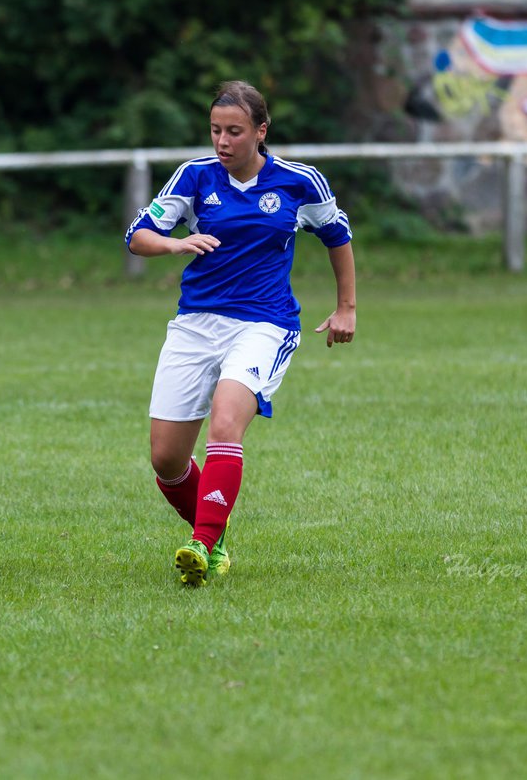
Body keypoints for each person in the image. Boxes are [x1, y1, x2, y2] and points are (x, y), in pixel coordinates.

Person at [125, 80, 356, 587]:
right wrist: (176, 245)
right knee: (166, 458)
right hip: (194, 325)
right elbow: (138, 236)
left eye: (234, 131)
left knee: (225, 423)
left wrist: (346, 307)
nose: (222, 142)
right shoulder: (195, 178)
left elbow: (337, 236)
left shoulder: (299, 182)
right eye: (215, 130)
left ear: (261, 131)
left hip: (264, 324)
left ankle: (203, 546)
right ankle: (216, 531)